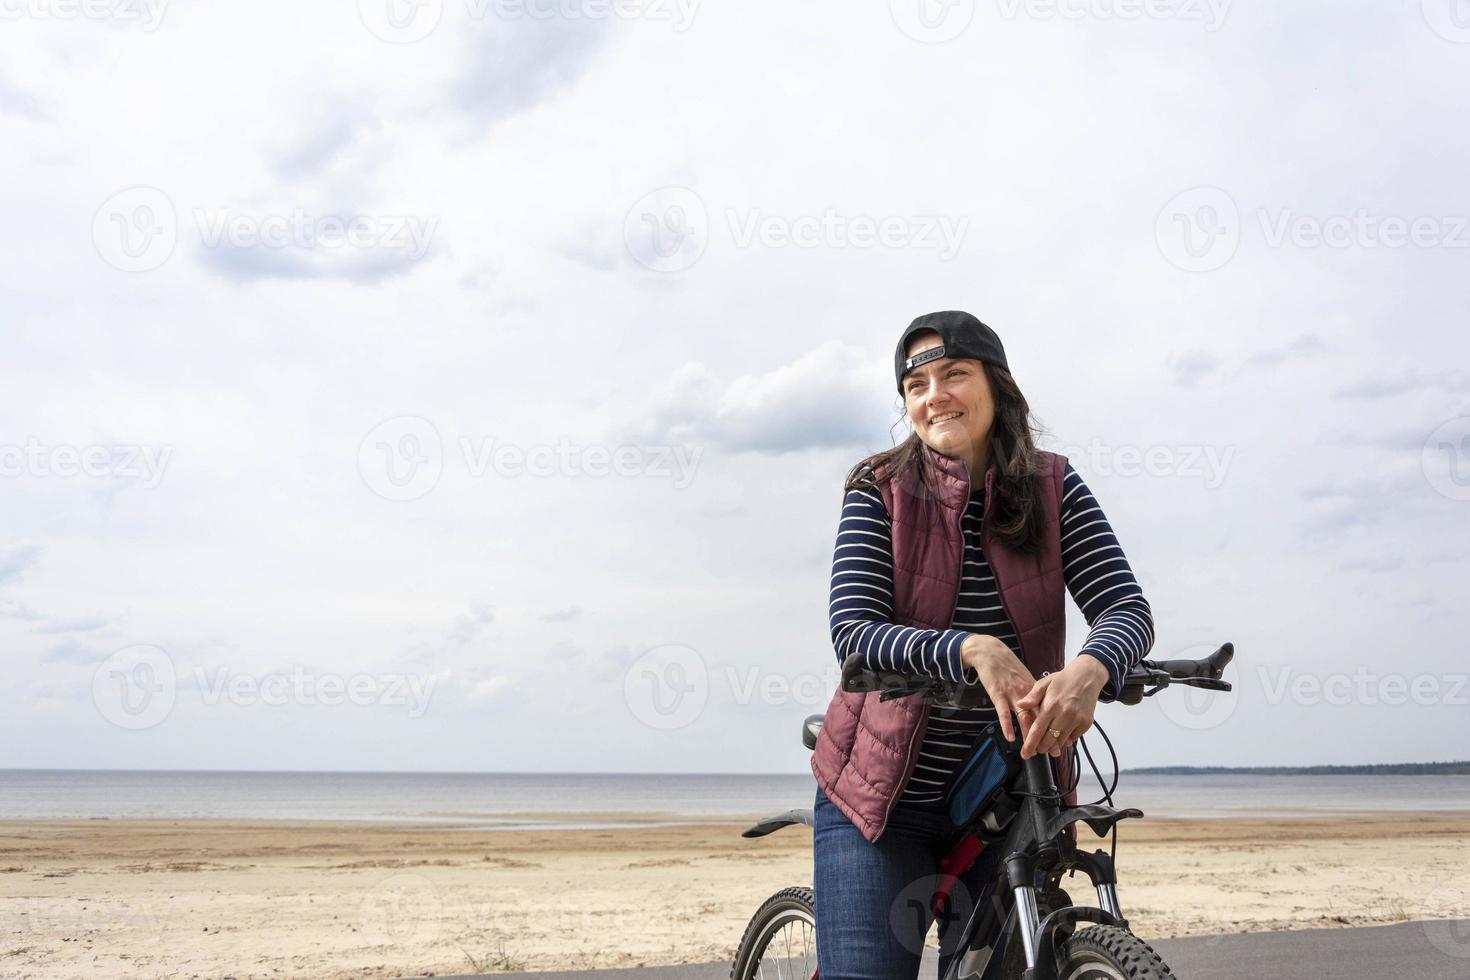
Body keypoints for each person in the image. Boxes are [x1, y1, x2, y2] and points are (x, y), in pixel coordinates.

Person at [810, 310, 1156, 978]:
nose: (934, 393)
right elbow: (853, 635)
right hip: (880, 802)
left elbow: (1124, 606)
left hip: (1010, 799)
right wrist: (970, 647)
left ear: (997, 387)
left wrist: (1093, 666)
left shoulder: (1055, 488)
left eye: (955, 374)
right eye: (917, 384)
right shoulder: (877, 489)